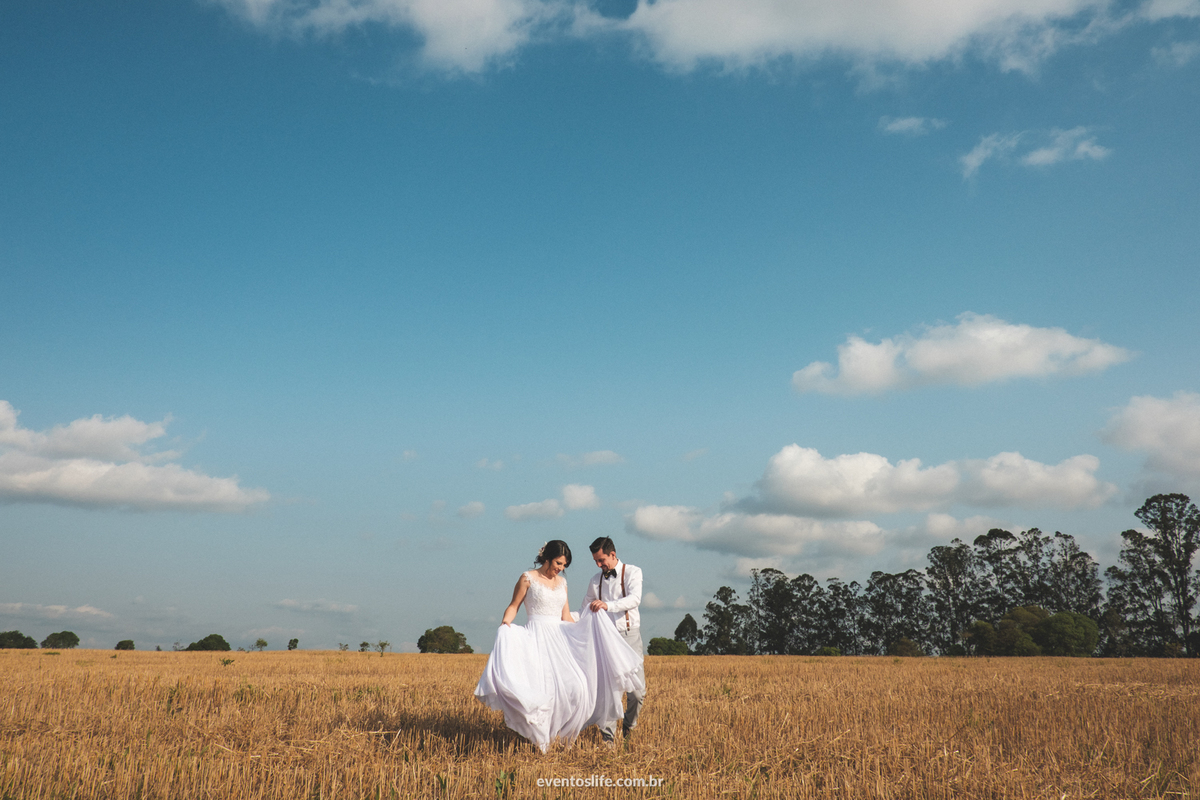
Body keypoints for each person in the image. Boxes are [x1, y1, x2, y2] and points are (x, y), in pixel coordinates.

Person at [474, 540, 645, 752]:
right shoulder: (527, 578)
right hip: (535, 637)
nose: (561, 568)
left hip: (562, 638)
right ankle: (543, 739)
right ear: (547, 557)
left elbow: (566, 616)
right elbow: (514, 606)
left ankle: (563, 735)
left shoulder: (563, 583)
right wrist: (505, 625)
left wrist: (587, 629)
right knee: (544, 690)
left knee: (580, 687)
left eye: (564, 565)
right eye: (558, 563)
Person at [582, 536, 646, 744]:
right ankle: (607, 741)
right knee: (610, 692)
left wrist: (607, 605)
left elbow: (635, 599)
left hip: (629, 636)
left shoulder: (633, 572)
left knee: (637, 693)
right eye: (596, 561)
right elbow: (585, 607)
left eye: (601, 560)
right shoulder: (595, 580)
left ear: (613, 554)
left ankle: (629, 727)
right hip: (605, 639)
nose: (599, 565)